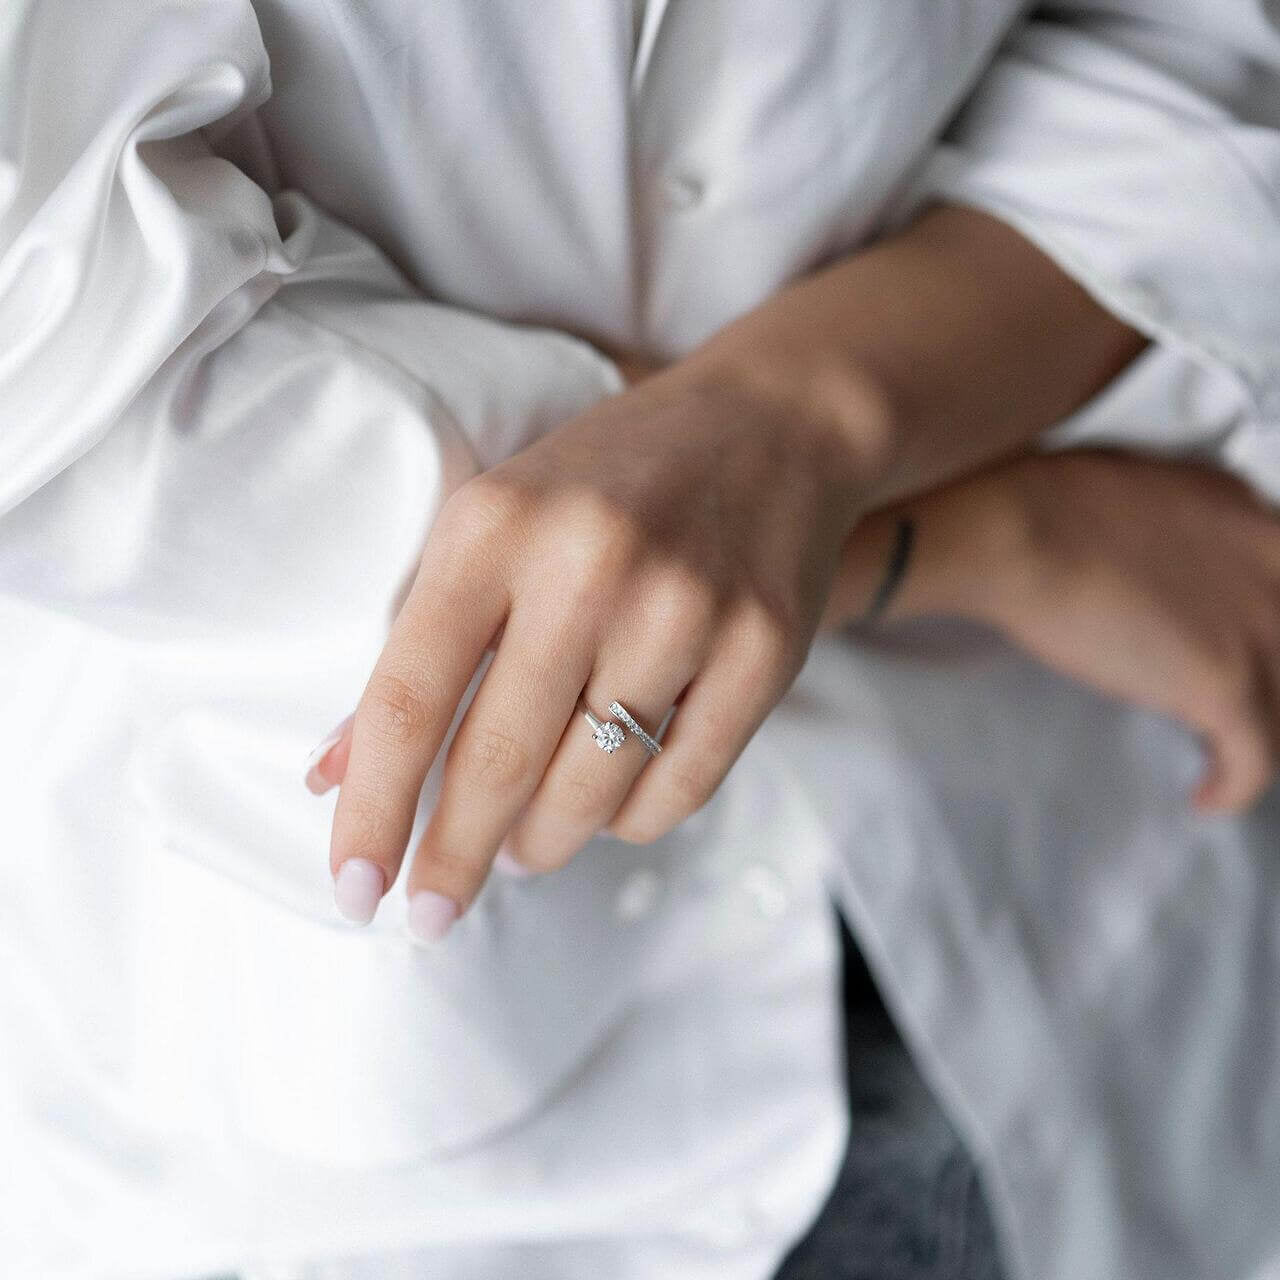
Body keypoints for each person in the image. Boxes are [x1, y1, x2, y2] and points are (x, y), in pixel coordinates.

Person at [3, 3, 1279, 1278]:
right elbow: (65, 375)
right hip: (412, 1136)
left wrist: (800, 416)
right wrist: (988, 536)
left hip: (1046, 898)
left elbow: (1171, 48)